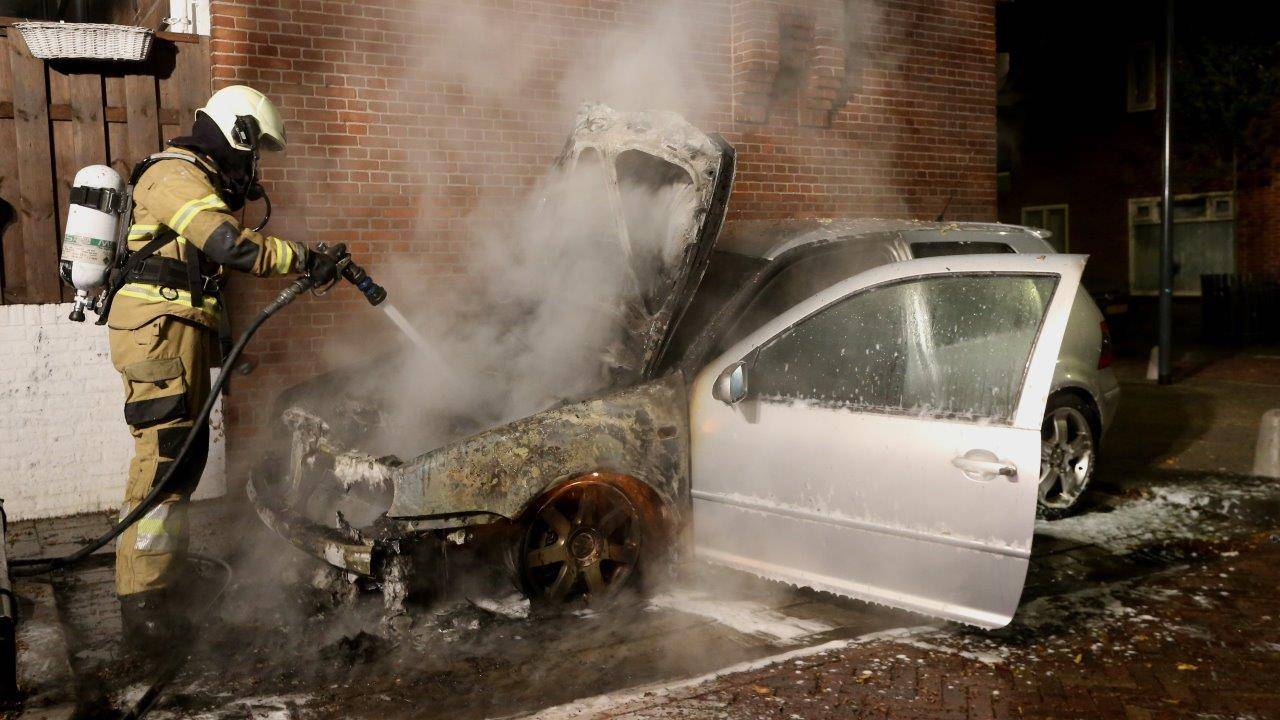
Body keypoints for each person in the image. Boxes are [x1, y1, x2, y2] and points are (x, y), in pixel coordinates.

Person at [105, 85, 338, 652]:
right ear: (237, 133)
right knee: (164, 462)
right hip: (157, 332)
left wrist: (229, 348)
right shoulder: (173, 175)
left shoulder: (196, 181)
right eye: (254, 149)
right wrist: (303, 257)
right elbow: (231, 247)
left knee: (183, 463)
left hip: (174, 331)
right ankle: (143, 606)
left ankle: (162, 580)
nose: (253, 166)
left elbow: (202, 280)